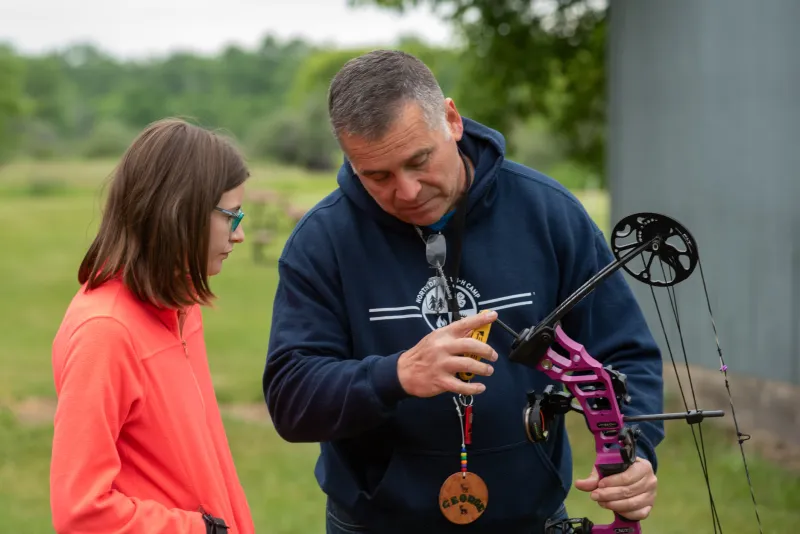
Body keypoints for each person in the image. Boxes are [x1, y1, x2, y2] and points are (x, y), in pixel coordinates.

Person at [263, 50, 662, 534]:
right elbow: (291, 399)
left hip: (531, 517)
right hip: (377, 523)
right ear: (349, 159)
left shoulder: (548, 213)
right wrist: (396, 374)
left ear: (451, 120)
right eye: (378, 176)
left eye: (418, 161)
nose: (407, 191)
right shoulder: (322, 241)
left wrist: (634, 454)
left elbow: (625, 354)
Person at [50, 118, 255, 534]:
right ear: (180, 212)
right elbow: (81, 511)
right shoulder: (105, 333)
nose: (241, 235)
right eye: (231, 217)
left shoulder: (180, 307)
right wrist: (202, 530)